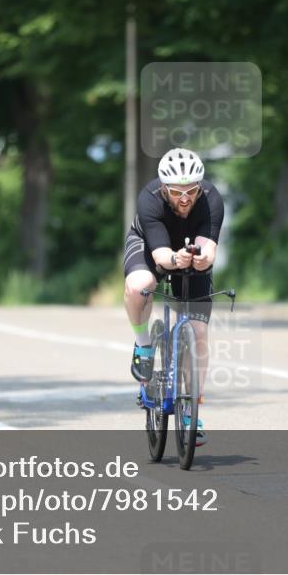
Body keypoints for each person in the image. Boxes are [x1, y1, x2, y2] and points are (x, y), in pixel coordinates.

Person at [123, 148, 224, 447]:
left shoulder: (211, 200)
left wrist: (203, 260)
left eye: (191, 191)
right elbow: (160, 254)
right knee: (140, 284)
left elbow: (209, 249)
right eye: (177, 191)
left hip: (189, 251)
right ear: (164, 187)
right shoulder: (149, 198)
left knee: (199, 332)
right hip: (152, 246)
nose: (184, 198)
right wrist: (174, 259)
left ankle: (192, 411)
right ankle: (143, 346)